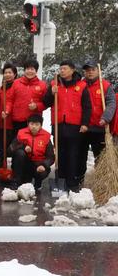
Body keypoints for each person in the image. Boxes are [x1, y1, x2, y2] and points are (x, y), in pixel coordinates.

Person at [43, 60, 91, 192]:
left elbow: (87, 107)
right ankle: (61, 179)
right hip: (58, 125)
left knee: (73, 154)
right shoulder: (54, 84)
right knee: (60, 153)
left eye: (65, 68)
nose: (62, 71)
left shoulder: (81, 86)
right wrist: (51, 93)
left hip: (75, 125)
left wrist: (85, 124)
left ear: (72, 70)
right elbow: (46, 102)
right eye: (61, 68)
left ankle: (72, 182)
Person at [9, 114, 54, 190]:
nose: (34, 127)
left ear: (41, 125)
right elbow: (10, 150)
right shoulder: (21, 133)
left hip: (38, 165)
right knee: (20, 153)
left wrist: (44, 165)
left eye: (37, 124)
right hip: (25, 164)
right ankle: (17, 181)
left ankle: (38, 183)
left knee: (41, 172)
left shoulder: (46, 137)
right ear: (28, 124)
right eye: (32, 124)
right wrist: (23, 147)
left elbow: (51, 157)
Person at [82, 60, 116, 160]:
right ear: (85, 72)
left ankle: (100, 175)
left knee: (100, 156)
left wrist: (106, 118)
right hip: (83, 127)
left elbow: (111, 103)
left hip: (99, 127)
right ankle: (79, 175)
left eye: (93, 69)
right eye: (88, 70)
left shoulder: (105, 85)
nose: (90, 72)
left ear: (98, 71)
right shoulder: (80, 85)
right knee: (80, 156)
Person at [4, 59, 47, 132]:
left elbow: (46, 103)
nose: (29, 71)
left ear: (36, 71)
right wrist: (7, 110)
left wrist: (37, 106)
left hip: (34, 122)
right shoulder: (16, 83)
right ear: (24, 70)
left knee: (32, 143)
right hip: (18, 120)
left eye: (32, 69)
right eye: (27, 69)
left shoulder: (42, 85)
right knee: (18, 142)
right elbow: (10, 100)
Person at [0, 63, 17, 165]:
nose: (7, 74)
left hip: (11, 120)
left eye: (10, 72)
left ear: (15, 74)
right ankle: (1, 163)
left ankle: (13, 166)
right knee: (0, 144)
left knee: (10, 145)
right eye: (5, 72)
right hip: (0, 119)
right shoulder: (2, 87)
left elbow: (11, 101)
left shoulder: (16, 86)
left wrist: (7, 111)